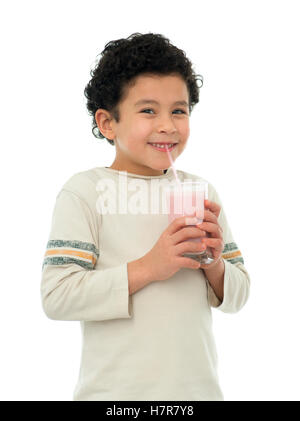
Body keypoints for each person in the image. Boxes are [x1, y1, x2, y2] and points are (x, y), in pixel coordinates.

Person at [40, 32, 250, 401]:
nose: (168, 125)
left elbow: (239, 294)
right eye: (148, 110)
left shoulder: (200, 192)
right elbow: (57, 297)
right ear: (107, 123)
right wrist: (151, 266)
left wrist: (215, 265)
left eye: (179, 110)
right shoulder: (86, 192)